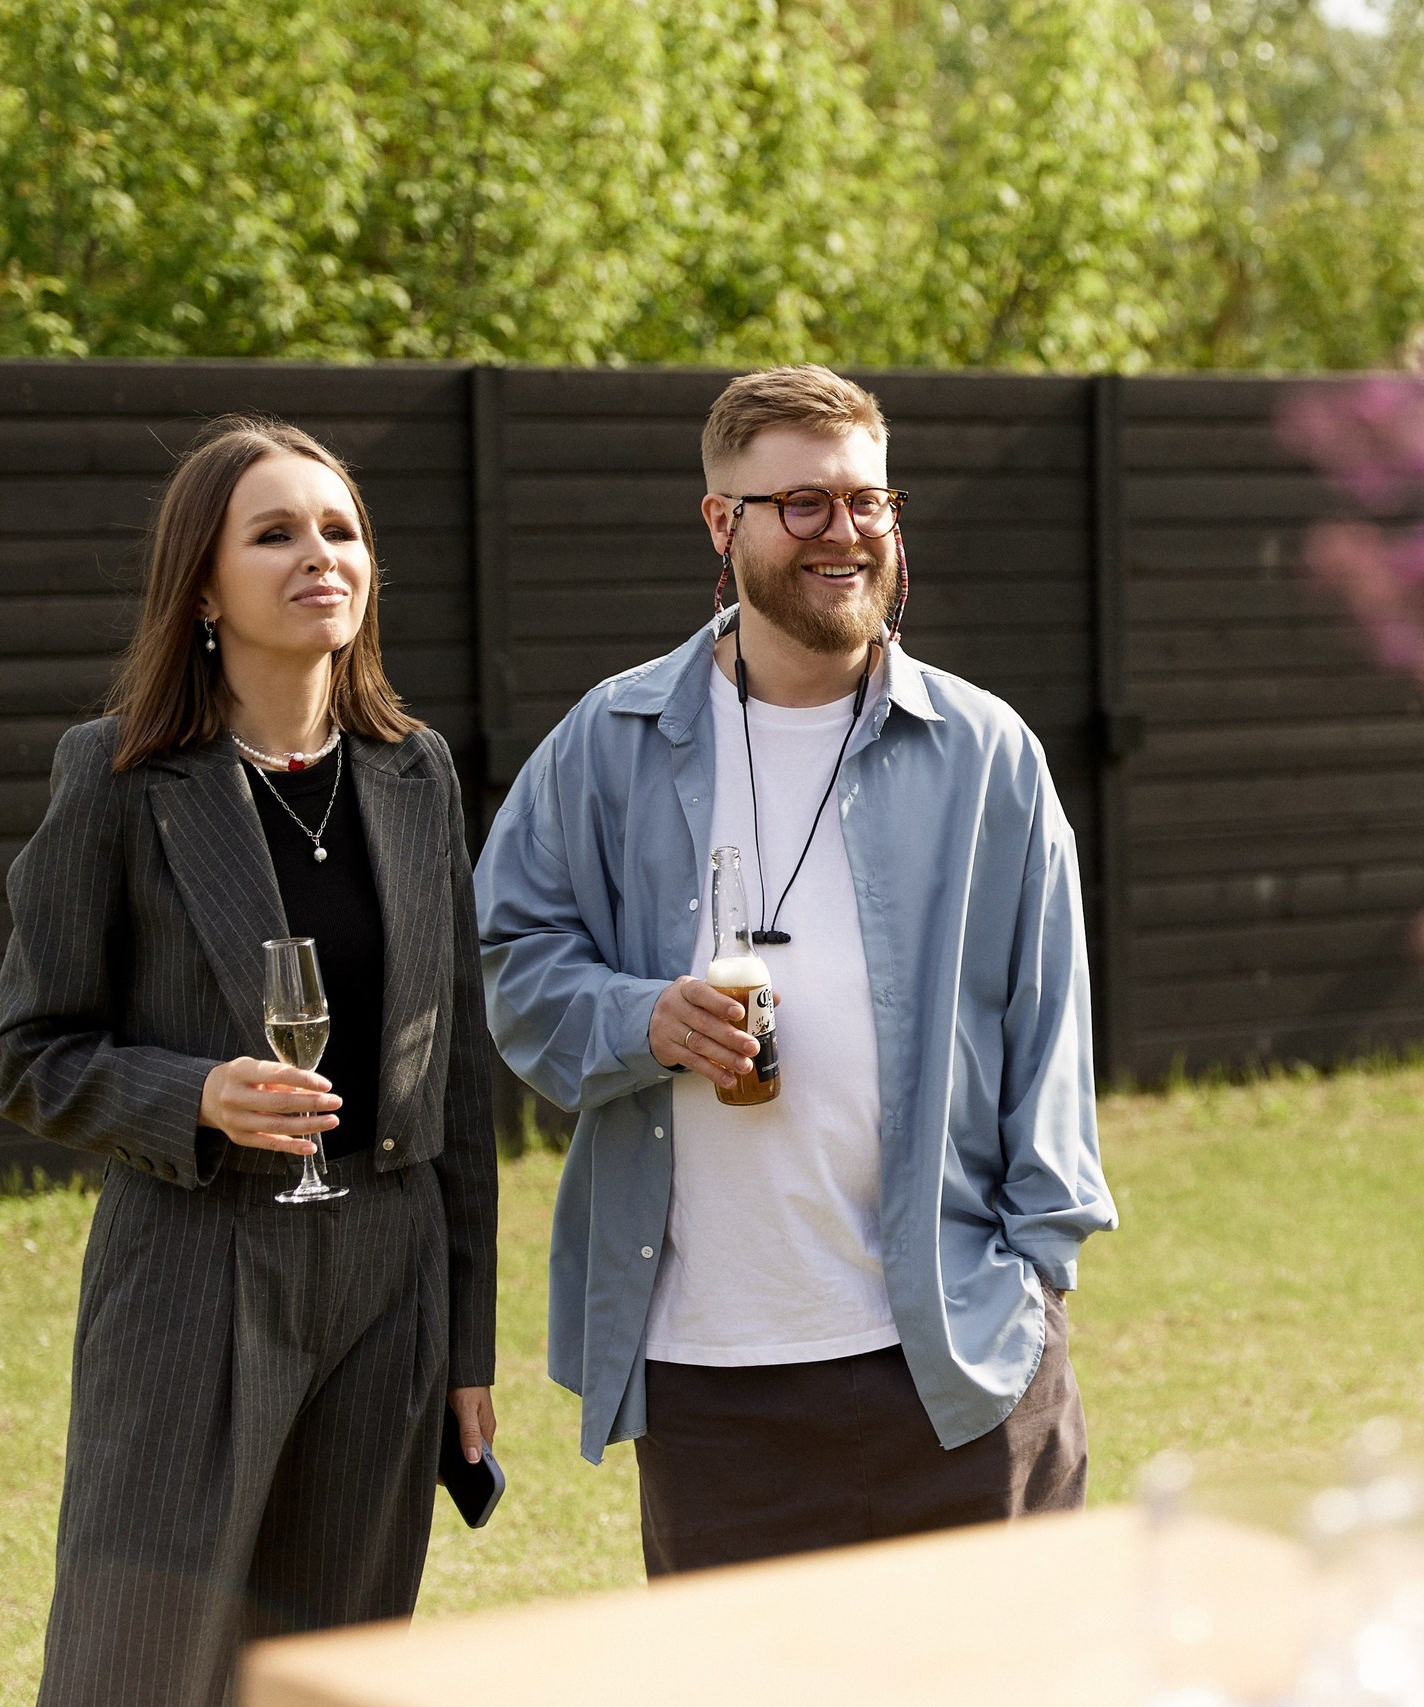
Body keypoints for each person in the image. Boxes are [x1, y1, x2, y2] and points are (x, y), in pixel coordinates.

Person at [477, 363, 1114, 1574]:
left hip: (963, 1363)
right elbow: (508, 955)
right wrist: (639, 1020)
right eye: (803, 504)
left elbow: (1053, 1032)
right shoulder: (606, 742)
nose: (846, 533)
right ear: (723, 523)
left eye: (868, 501)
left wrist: (1035, 1288)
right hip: (712, 1383)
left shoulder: (986, 754)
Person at [0, 417, 499, 1706]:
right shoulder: (115, 774)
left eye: (341, 529)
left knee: (332, 1668)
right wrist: (191, 1095)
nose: (320, 554)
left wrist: (466, 1345)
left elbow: (461, 1081)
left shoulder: (414, 772)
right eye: (274, 533)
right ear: (202, 585)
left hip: (389, 1281)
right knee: (135, 1665)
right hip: (195, 1274)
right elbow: (23, 1050)